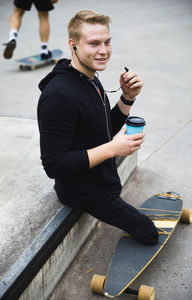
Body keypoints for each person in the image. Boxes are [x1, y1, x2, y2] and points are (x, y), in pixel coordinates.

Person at [37, 10, 159, 245]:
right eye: (94, 43)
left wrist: (127, 98)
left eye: (107, 42)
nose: (103, 51)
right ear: (73, 45)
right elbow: (54, 165)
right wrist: (114, 149)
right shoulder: (59, 96)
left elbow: (102, 128)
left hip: (102, 181)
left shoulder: (88, 77)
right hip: (84, 192)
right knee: (149, 233)